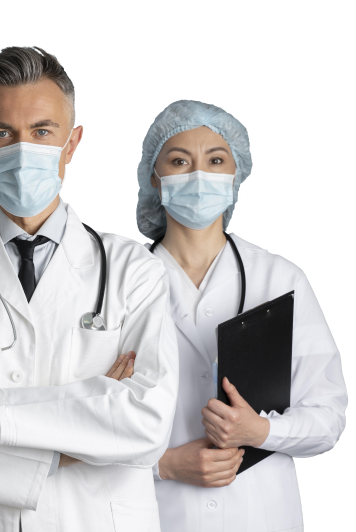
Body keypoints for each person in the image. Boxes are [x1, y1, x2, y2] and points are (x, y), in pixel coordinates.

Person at [0, 45, 179, 532]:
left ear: (72, 143)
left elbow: (146, 425)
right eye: (2, 133)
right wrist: (78, 437)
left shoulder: (133, 269)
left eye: (42, 132)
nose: (23, 150)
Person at [136, 100, 348, 532]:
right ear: (154, 177)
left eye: (216, 160)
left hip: (259, 515)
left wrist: (260, 432)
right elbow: (84, 423)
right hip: (157, 513)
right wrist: (163, 465)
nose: (199, 176)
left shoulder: (280, 277)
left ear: (236, 175)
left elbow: (328, 418)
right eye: (179, 161)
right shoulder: (121, 279)